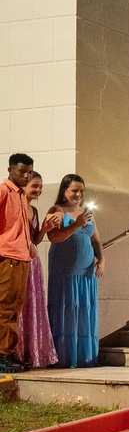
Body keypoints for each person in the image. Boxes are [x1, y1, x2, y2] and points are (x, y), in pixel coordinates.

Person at [46, 174, 104, 368]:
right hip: (65, 271)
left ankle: (84, 357)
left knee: (83, 312)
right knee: (67, 310)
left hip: (86, 272)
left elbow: (95, 240)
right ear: (64, 190)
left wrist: (101, 260)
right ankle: (64, 357)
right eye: (74, 190)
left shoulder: (87, 212)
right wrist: (76, 224)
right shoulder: (57, 210)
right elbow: (54, 237)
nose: (79, 194)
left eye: (82, 191)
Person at [16, 171, 59, 368]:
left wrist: (44, 229)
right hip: (18, 261)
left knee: (33, 306)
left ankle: (31, 353)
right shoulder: (15, 207)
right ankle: (14, 353)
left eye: (40, 186)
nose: (38, 190)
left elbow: (36, 241)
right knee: (18, 305)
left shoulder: (34, 209)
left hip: (34, 264)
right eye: (35, 186)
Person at [0, 153, 36, 373]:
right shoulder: (4, 190)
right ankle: (1, 356)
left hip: (22, 257)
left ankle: (8, 352)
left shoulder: (21, 195)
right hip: (7, 256)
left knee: (15, 306)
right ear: (10, 170)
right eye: (22, 171)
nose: (26, 175)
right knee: (4, 306)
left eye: (29, 172)